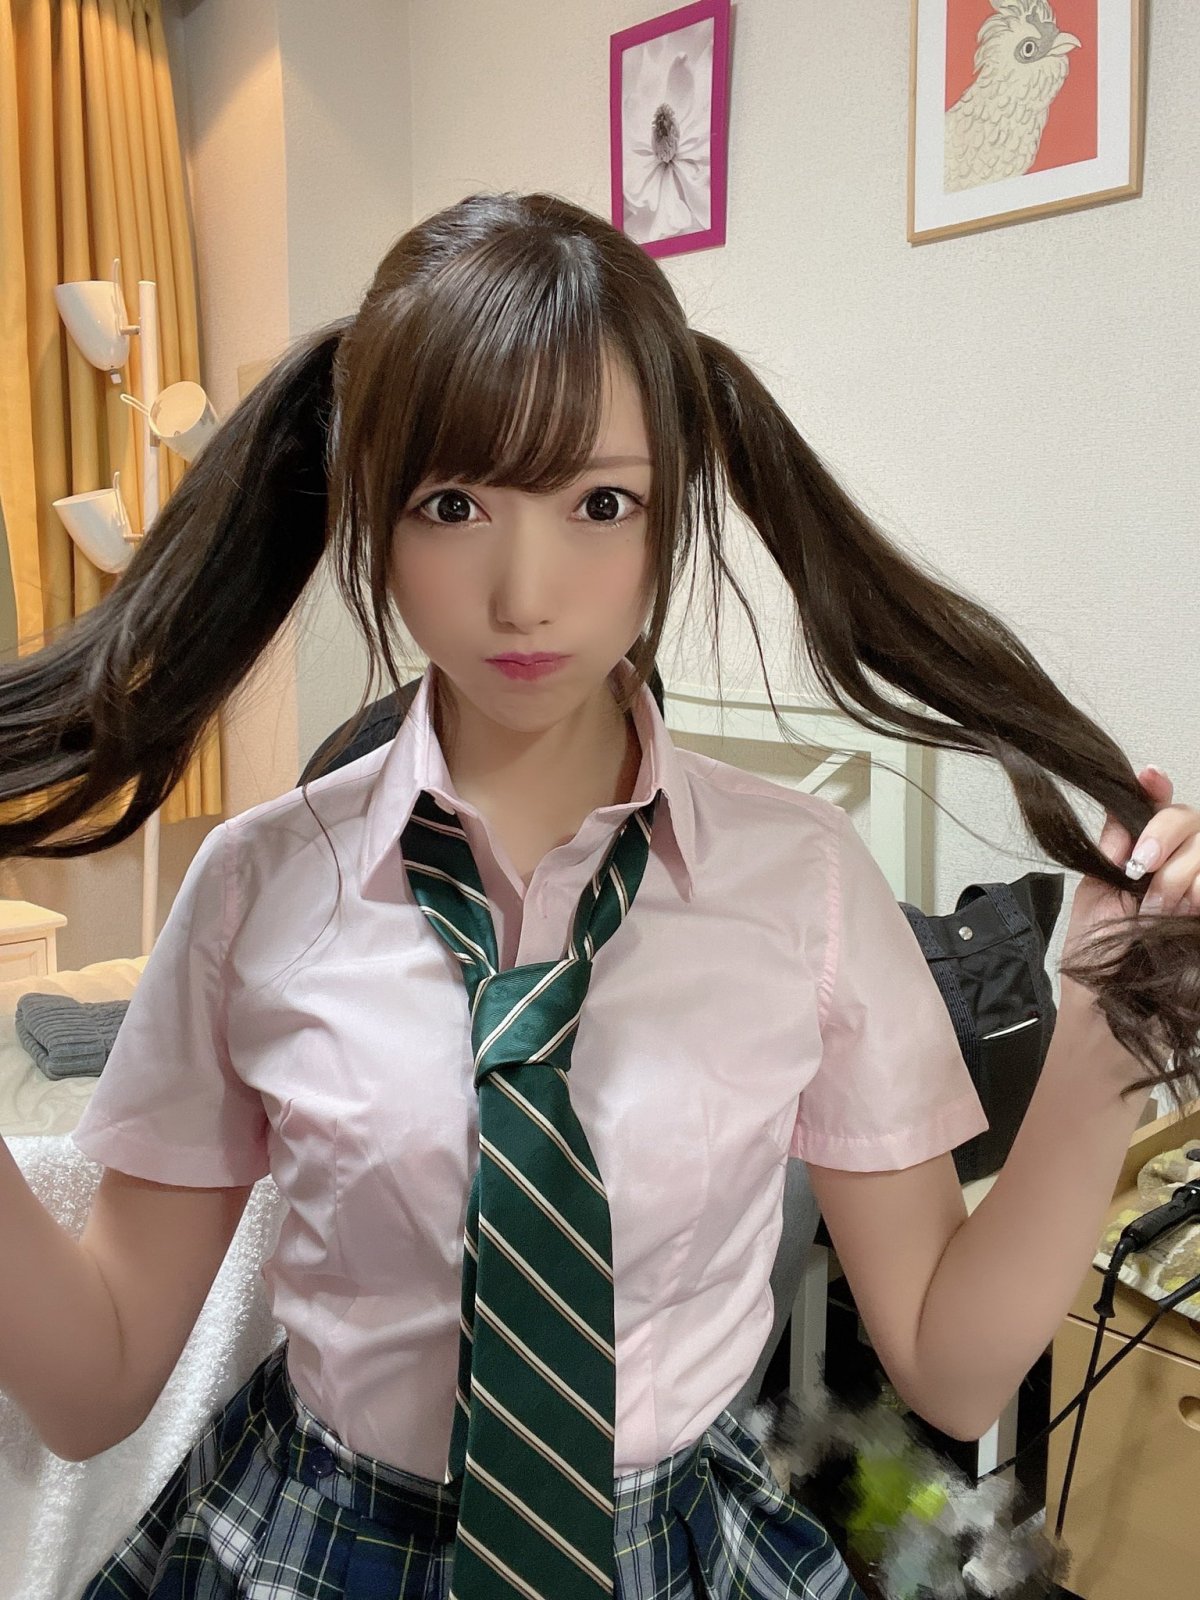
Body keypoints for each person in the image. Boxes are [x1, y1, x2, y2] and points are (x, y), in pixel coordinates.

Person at [0, 190, 1198, 1600]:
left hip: (680, 1549)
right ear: (370, 515)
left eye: (600, 505)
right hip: (321, 1549)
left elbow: (948, 1359)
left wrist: (1108, 1028)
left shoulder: (802, 879)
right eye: (454, 506)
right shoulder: (255, 887)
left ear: (670, 514)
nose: (527, 594)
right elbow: (94, 1387)